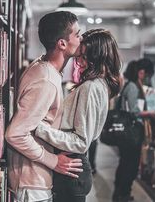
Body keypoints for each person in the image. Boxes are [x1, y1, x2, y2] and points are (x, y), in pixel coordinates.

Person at [35, 28, 122, 202]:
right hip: (72, 167)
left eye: (84, 56)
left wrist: (39, 128)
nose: (79, 62)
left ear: (98, 57)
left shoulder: (91, 87)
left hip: (71, 168)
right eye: (78, 56)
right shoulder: (99, 84)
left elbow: (81, 142)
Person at [5, 11, 83, 202]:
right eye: (77, 34)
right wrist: (54, 160)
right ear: (62, 43)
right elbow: (15, 133)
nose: (82, 39)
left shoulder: (45, 67)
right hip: (32, 184)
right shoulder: (46, 79)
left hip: (35, 180)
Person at [112, 58, 155, 202]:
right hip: (131, 133)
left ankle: (120, 193)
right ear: (140, 72)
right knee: (130, 164)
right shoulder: (132, 87)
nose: (145, 76)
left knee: (125, 162)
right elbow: (134, 112)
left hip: (125, 132)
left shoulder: (128, 84)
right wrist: (150, 113)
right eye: (145, 73)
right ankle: (123, 194)